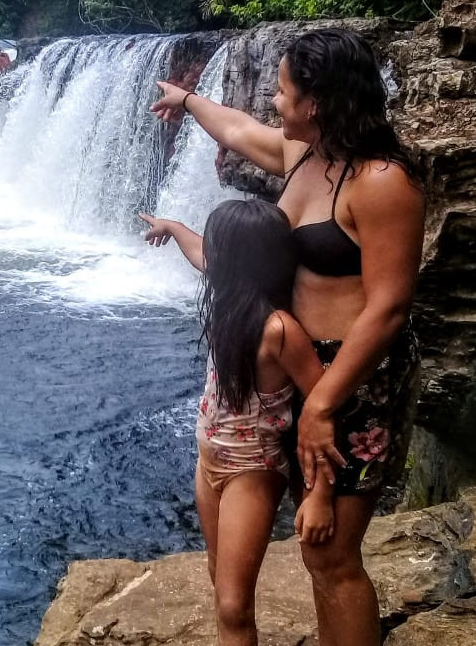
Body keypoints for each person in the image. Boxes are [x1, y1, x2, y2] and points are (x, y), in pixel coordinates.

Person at [143, 28, 425, 646]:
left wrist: (322, 405)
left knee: (331, 556)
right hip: (291, 372)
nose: (274, 102)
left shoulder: (382, 182)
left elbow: (388, 308)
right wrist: (188, 101)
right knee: (308, 541)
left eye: (282, 91)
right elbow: (240, 131)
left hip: (351, 381)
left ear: (316, 103)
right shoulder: (305, 156)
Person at [148, 199, 333, 646]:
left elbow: (325, 407)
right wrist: (172, 227)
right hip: (208, 459)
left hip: (251, 470)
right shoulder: (232, 297)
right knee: (218, 578)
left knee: (233, 605)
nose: (211, 255)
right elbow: (201, 254)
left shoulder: (279, 329)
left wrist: (320, 493)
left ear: (240, 260)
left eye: (219, 247)